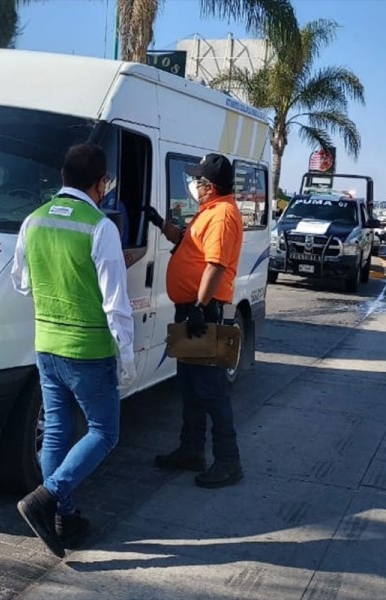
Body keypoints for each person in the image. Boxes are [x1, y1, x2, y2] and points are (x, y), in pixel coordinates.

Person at [11, 143, 135, 558]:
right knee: (104, 432)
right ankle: (46, 499)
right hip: (88, 350)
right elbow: (116, 303)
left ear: (63, 177)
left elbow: (22, 283)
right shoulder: (100, 227)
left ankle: (64, 517)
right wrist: (128, 357)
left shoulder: (34, 221)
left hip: (46, 345)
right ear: (100, 185)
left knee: (59, 431)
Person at [149, 153, 245, 489]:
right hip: (193, 310)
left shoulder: (222, 216)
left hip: (205, 313)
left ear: (210, 186)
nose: (194, 185)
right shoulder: (209, 213)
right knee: (190, 386)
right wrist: (161, 224)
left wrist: (199, 307)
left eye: (199, 181)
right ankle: (191, 451)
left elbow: (215, 266)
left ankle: (228, 461)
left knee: (211, 390)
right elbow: (188, 246)